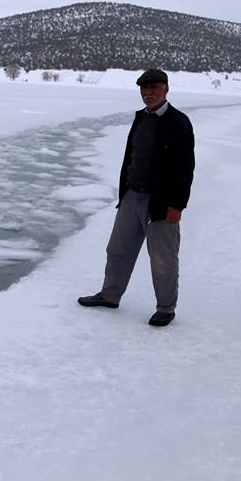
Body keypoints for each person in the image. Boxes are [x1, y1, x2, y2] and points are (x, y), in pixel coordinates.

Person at [78, 68, 194, 327]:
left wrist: (177, 205)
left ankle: (166, 308)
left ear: (166, 89)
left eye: (153, 87)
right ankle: (110, 295)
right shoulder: (141, 117)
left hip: (161, 203)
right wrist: (125, 193)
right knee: (117, 250)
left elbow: (185, 168)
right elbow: (131, 158)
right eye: (144, 88)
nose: (148, 92)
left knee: (163, 259)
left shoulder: (179, 122)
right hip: (132, 196)